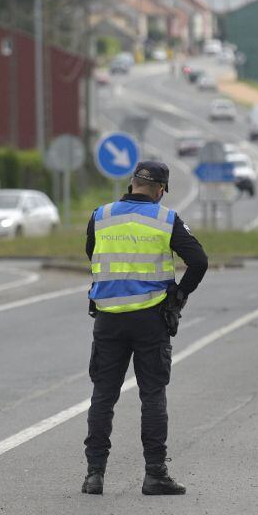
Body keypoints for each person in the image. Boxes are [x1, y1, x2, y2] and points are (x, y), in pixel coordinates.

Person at [82, 161, 208, 496]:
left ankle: (94, 474)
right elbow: (199, 261)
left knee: (103, 395)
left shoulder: (101, 215)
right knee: (152, 395)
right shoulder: (166, 219)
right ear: (161, 189)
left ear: (132, 183)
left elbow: (92, 255)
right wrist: (179, 296)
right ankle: (155, 474)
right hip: (151, 319)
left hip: (108, 317)